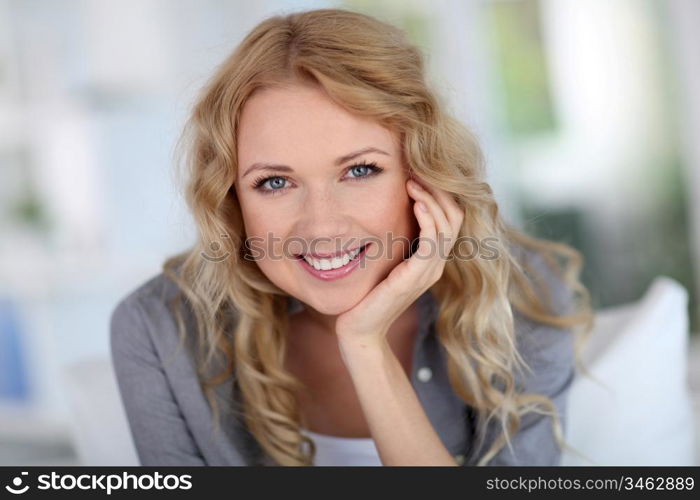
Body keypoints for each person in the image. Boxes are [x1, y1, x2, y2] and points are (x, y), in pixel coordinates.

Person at [110, 8, 593, 466]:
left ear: (423, 172)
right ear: (234, 200)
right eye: (274, 182)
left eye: (360, 170)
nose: (322, 228)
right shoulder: (159, 329)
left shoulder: (520, 293)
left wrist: (365, 344)